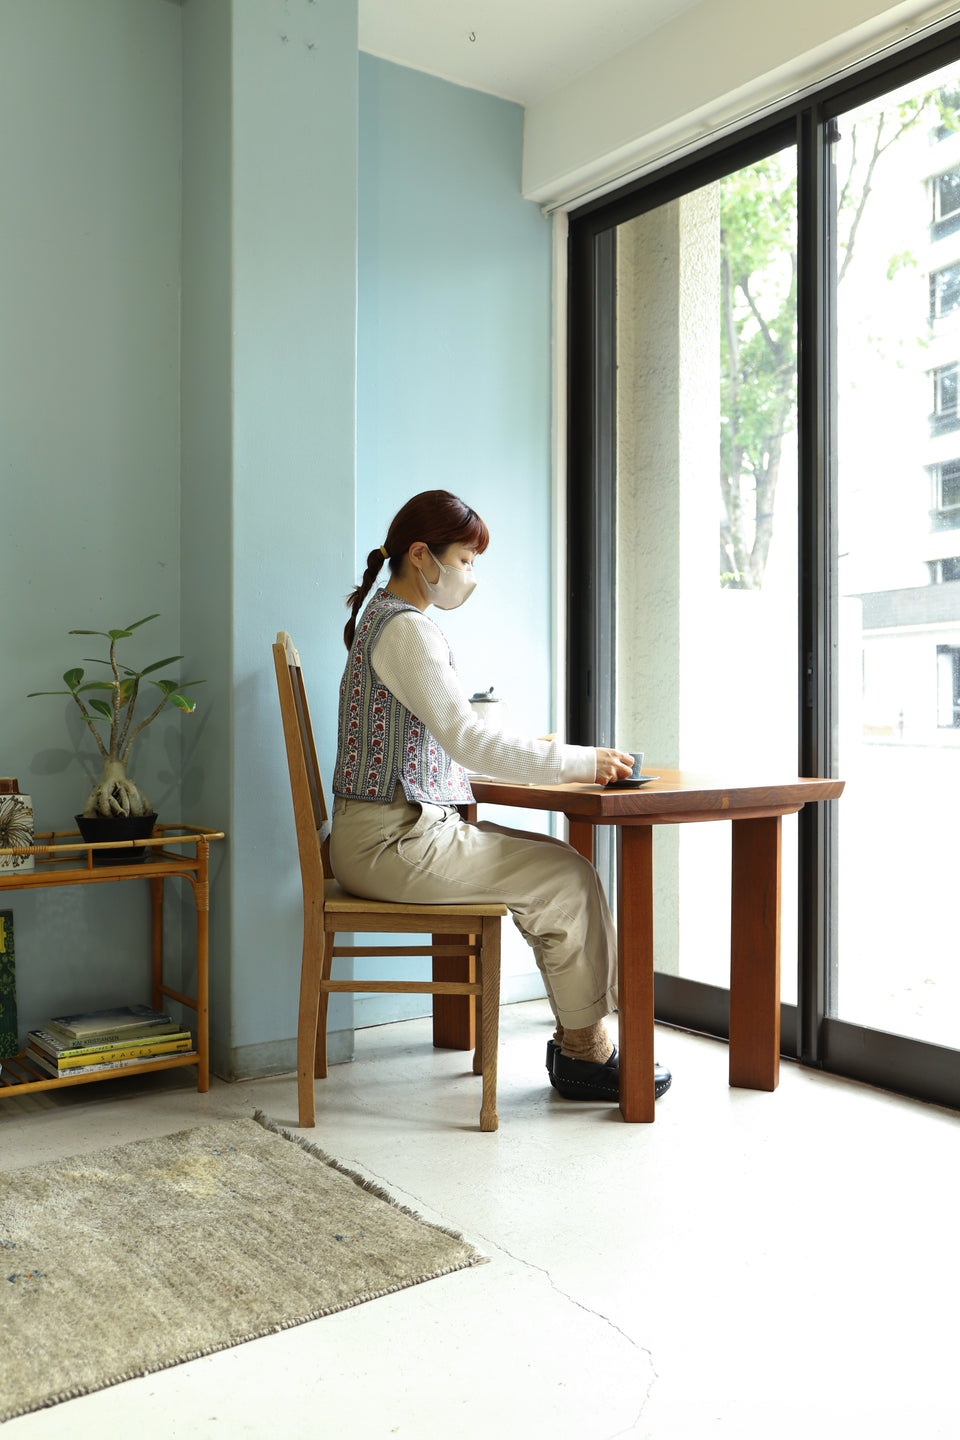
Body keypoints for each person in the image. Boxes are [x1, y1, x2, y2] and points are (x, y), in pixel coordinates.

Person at [330, 489, 671, 1103]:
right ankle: (585, 1057)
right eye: (465, 560)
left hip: (380, 833)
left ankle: (582, 1047)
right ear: (420, 556)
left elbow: (449, 732)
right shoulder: (407, 631)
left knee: (562, 869)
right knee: (566, 877)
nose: (470, 576)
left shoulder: (385, 619)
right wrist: (583, 762)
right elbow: (468, 743)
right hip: (390, 842)